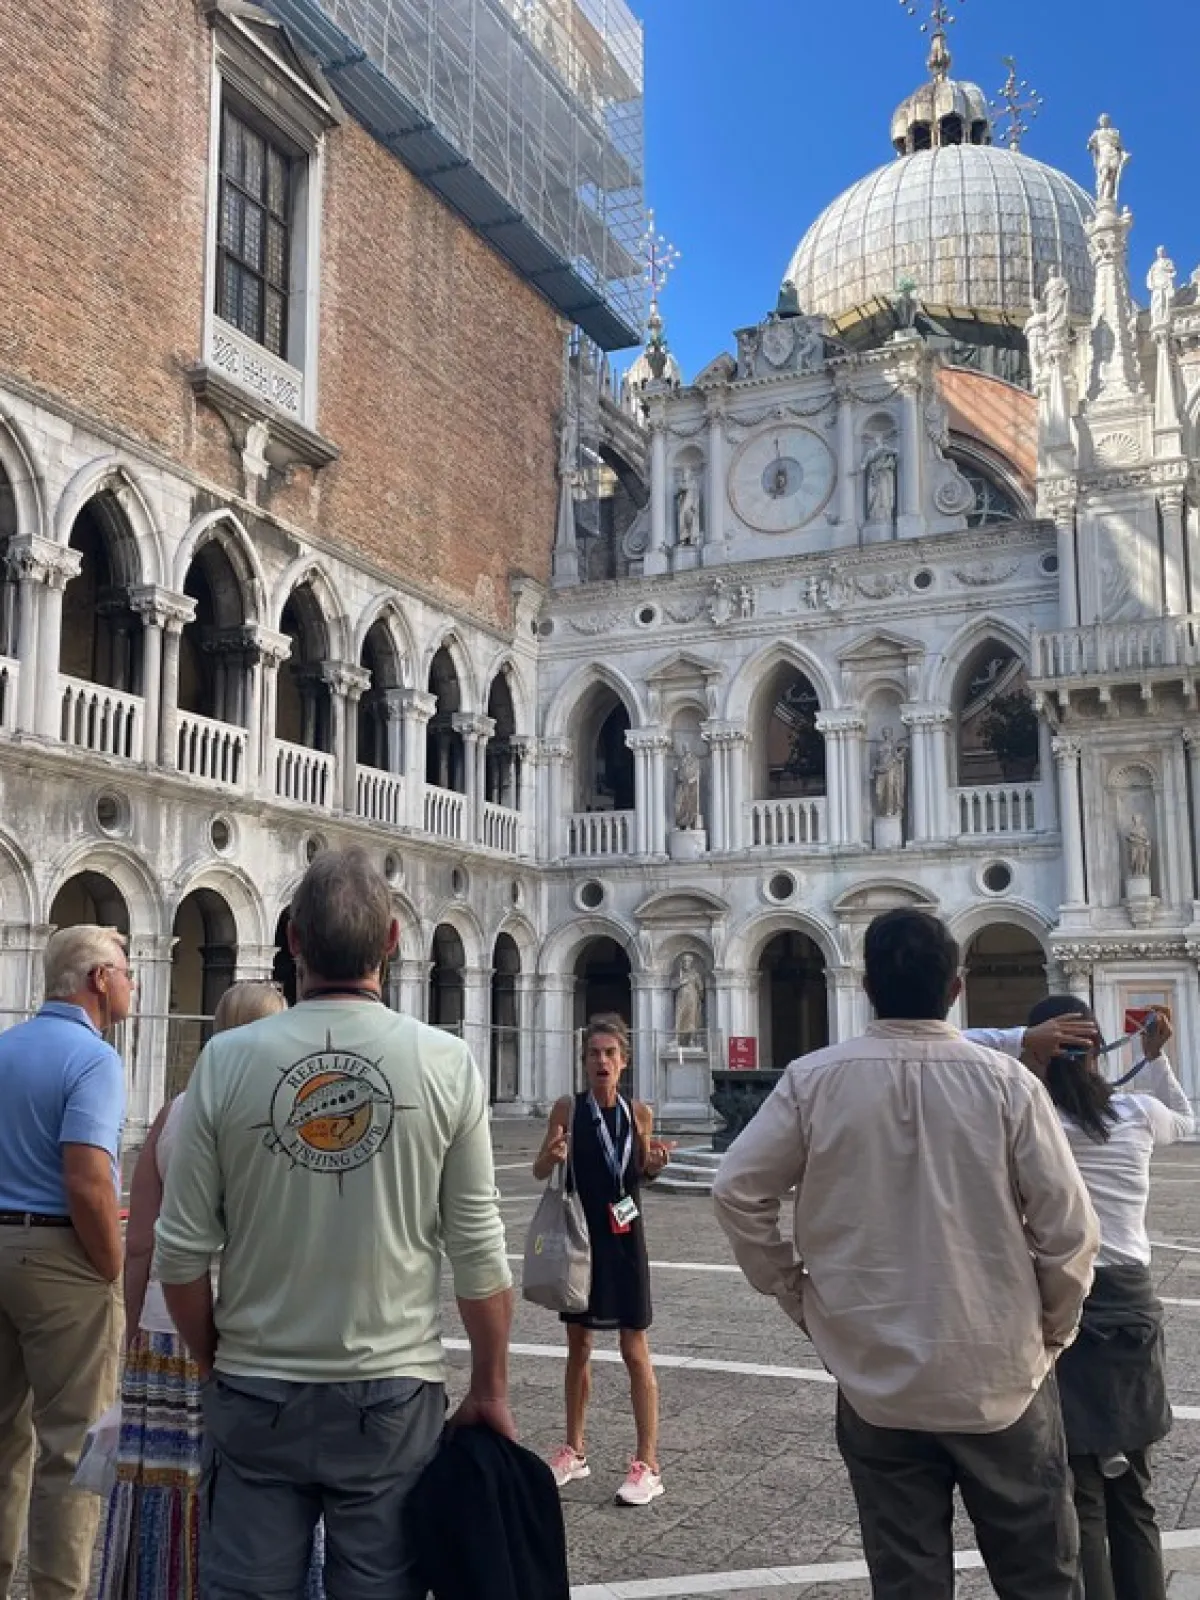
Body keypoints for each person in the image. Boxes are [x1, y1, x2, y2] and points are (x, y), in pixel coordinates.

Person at [154, 849, 514, 1600]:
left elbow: (181, 1255)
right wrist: (490, 1385)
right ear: (390, 940)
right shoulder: (447, 1063)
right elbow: (480, 1254)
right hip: (391, 1393)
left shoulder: (224, 1062)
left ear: (292, 941)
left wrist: (220, 1358)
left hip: (257, 1391)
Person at [713, 908, 1100, 1600]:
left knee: (907, 1582)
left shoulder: (813, 1079)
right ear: (955, 986)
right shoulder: (1008, 1084)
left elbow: (738, 1190)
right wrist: (1054, 1330)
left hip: (877, 1379)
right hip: (1001, 1377)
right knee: (1040, 1575)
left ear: (865, 984)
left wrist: (794, 1291)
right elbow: (1069, 1231)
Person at [98, 979, 328, 1600]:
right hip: (260, 1331)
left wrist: (132, 1332)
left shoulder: (175, 1110)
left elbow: (142, 1239)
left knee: (165, 1486)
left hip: (165, 1328)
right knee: (265, 1485)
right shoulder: (290, 1115)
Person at [1022, 995, 1193, 1600]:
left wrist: (1027, 1057)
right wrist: (1154, 1057)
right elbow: (1185, 1120)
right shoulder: (1138, 1112)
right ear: (1098, 1049)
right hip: (1134, 1307)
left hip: (1068, 1305)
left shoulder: (1035, 1124)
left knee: (1083, 1492)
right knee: (1135, 1493)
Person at [0, 924, 132, 1600]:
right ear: (99, 979)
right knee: (72, 1449)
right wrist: (110, 1266)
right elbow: (87, 1179)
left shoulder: (4, 1047)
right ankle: (58, 1592)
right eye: (127, 970)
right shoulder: (95, 1059)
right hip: (60, 1256)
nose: (132, 982)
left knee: (2, 1439)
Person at [533, 1016, 675, 1506]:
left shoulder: (639, 1114)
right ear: (584, 1061)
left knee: (635, 1348)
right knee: (579, 1346)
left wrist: (653, 1166)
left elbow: (639, 1173)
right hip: (581, 1240)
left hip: (625, 1240)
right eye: (594, 1053)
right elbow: (538, 1168)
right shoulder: (568, 1109)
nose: (601, 1061)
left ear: (624, 1061)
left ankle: (648, 1463)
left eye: (610, 1053)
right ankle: (574, 1449)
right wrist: (551, 1156)